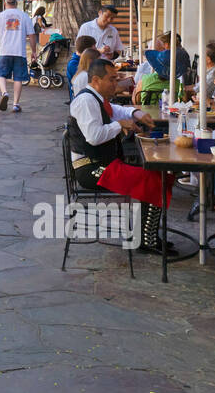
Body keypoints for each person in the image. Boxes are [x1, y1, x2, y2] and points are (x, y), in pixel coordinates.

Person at [67, 59, 176, 253]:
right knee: (154, 178)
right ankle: (146, 239)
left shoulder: (97, 98)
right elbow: (94, 137)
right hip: (90, 168)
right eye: (112, 79)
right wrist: (120, 125)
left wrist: (135, 112)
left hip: (103, 163)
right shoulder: (86, 101)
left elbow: (116, 110)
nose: (115, 84)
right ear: (95, 80)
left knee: (158, 175)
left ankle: (146, 235)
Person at [0, 0, 36, 113]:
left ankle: (4, 92)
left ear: (5, 3)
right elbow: (32, 35)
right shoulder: (24, 16)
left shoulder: (0, 16)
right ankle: (15, 104)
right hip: (20, 52)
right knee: (18, 78)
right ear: (16, 3)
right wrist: (34, 51)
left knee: (0, 74)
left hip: (5, 51)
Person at [66, 35, 97, 102]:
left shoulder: (82, 60)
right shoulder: (74, 64)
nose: (96, 48)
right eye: (94, 46)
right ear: (87, 50)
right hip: (80, 100)